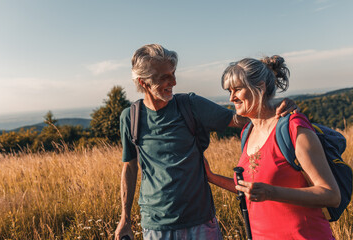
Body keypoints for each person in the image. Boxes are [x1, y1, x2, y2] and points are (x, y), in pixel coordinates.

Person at [114, 44, 297, 240]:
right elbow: (130, 167)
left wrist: (277, 107)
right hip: (156, 225)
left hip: (200, 221)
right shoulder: (130, 118)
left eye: (173, 73)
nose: (174, 81)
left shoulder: (190, 105)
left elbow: (238, 119)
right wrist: (125, 218)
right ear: (143, 82)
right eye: (164, 77)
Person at [204, 55, 340, 239]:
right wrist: (211, 177)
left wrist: (271, 192)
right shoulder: (247, 132)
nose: (231, 97)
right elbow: (252, 190)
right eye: (229, 90)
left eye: (237, 89)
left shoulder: (293, 128)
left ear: (260, 87)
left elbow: (331, 195)